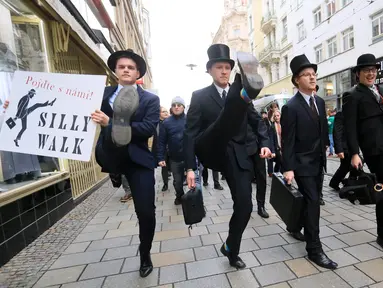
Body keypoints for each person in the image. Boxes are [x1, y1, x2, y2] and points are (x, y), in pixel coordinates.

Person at [184, 44, 270, 269]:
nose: (224, 71)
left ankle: (231, 247)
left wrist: (266, 143)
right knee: (226, 114)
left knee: (245, 206)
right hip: (214, 148)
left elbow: (256, 120)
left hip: (240, 156)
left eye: (227, 67)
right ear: (210, 70)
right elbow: (190, 134)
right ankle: (233, 252)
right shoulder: (200, 96)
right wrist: (190, 168)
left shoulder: (241, 94)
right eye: (219, 67)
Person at [92, 49, 159, 278]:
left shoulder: (150, 99)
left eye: (131, 67)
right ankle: (115, 174)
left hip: (138, 160)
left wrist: (111, 122)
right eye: (122, 67)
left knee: (146, 212)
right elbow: (72, 109)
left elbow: (146, 129)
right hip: (111, 157)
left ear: (138, 72)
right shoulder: (100, 94)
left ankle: (145, 253)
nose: (126, 70)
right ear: (115, 71)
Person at [281, 54, 337, 269]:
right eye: (307, 75)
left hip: (318, 163)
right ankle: (314, 249)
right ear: (297, 80)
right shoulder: (291, 107)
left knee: (308, 201)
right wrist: (288, 168)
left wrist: (327, 150)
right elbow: (288, 141)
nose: (313, 78)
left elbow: (322, 131)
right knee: (314, 203)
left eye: (314, 74)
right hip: (302, 164)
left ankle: (294, 227)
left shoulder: (320, 101)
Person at [343, 53, 383, 249]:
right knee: (382, 191)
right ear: (358, 73)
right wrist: (354, 153)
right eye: (366, 70)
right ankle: (381, 235)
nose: (371, 73)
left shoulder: (380, 90)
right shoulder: (353, 95)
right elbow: (349, 127)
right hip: (375, 151)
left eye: (374, 70)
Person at [158, 96, 187, 205]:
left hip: (189, 157)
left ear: (183, 107)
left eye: (179, 105)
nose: (176, 107)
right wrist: (160, 157)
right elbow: (161, 141)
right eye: (174, 105)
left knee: (194, 180)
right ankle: (179, 195)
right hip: (175, 159)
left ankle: (196, 200)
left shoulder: (190, 120)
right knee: (177, 181)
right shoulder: (166, 123)